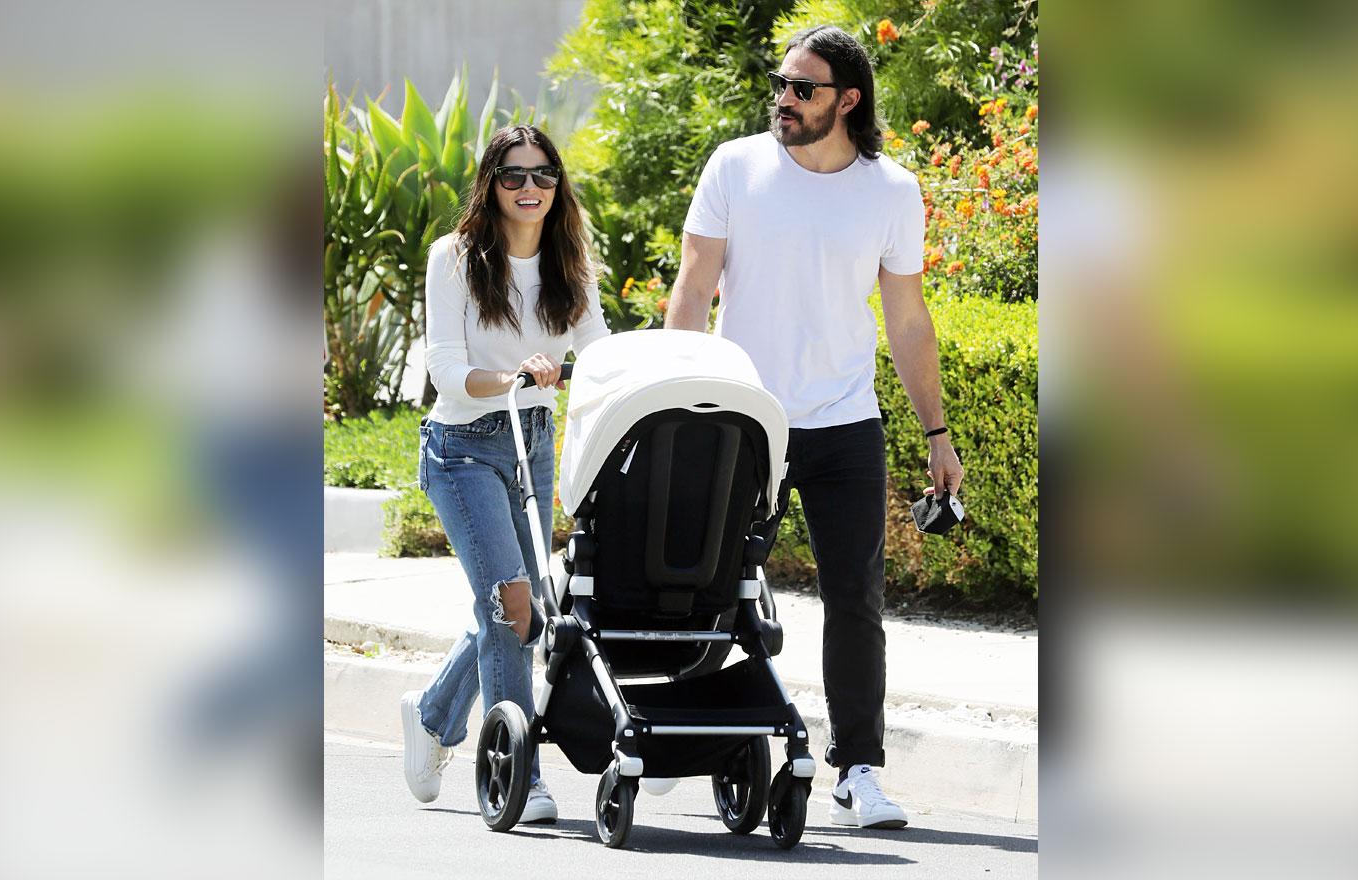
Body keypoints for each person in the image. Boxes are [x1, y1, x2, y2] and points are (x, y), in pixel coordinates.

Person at [665, 25, 965, 830]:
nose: (784, 100)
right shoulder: (736, 166)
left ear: (848, 100)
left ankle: (858, 769)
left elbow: (907, 320)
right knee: (697, 585)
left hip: (844, 424)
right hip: (740, 421)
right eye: (781, 84)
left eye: (803, 89)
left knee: (856, 599)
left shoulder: (891, 190)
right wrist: (673, 403)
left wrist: (937, 433)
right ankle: (668, 732)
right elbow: (692, 292)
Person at [399, 125, 609, 823]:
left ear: (558, 185)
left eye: (543, 175)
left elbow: (600, 354)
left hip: (535, 438)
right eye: (514, 176)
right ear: (491, 184)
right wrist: (517, 376)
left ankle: (431, 716)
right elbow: (447, 375)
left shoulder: (571, 262)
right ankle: (521, 772)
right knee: (512, 603)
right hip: (462, 446)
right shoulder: (453, 258)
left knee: (518, 605)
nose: (529, 189)